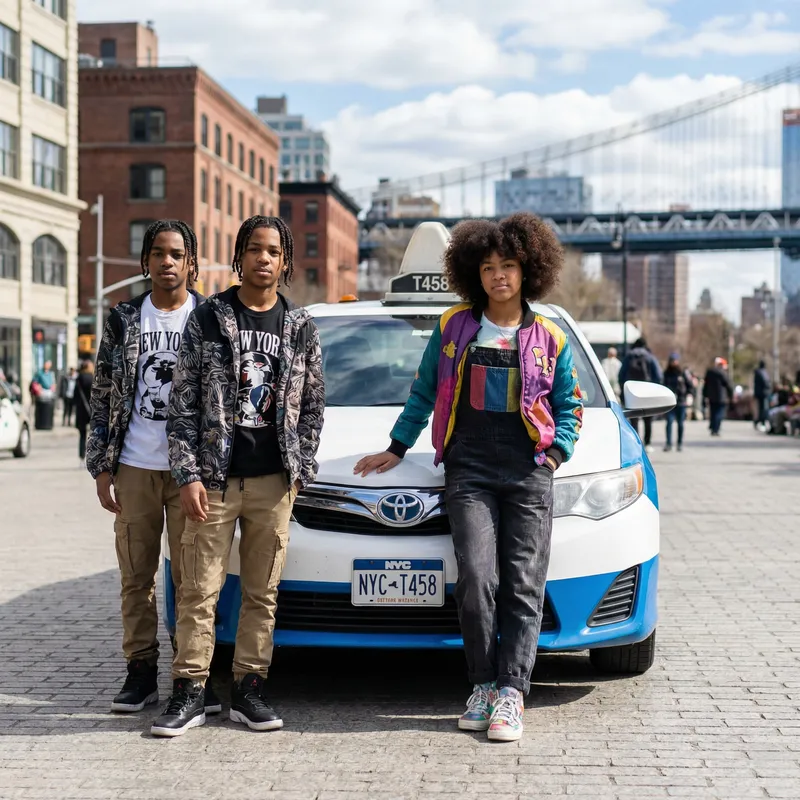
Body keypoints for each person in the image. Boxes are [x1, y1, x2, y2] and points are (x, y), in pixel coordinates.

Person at [354, 213, 583, 743]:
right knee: (477, 580)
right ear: (472, 274)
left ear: (528, 270)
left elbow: (569, 405)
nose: (498, 276)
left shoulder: (549, 335)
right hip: (470, 469)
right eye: (487, 267)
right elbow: (425, 390)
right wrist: (396, 447)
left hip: (528, 470)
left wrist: (554, 455)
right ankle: (481, 685)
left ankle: (511, 692)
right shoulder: (454, 325)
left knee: (524, 583)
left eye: (508, 265)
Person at [152, 215, 324, 738]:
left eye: (273, 251)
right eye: (254, 249)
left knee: (261, 591)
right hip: (214, 481)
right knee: (198, 589)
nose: (264, 259)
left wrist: (302, 466)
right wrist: (187, 475)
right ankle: (190, 691)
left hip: (274, 482)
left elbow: (313, 403)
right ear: (239, 256)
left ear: (286, 261)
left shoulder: (299, 327)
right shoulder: (209, 317)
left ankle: (249, 689)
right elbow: (182, 405)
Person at [84, 220, 217, 717]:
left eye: (176, 254)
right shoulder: (122, 318)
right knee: (135, 577)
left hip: (193, 474)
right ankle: (140, 673)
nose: (167, 261)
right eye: (158, 253)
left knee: (194, 582)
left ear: (191, 262)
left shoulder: (209, 316)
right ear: (146, 261)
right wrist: (101, 465)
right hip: (135, 466)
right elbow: (102, 395)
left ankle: (193, 678)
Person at [618, 337, 663, 452]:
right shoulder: (649, 357)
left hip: (632, 391)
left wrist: (623, 389)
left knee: (634, 418)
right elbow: (658, 375)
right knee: (648, 419)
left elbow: (621, 375)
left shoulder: (629, 356)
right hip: (646, 391)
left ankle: (635, 442)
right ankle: (647, 443)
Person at [662, 353, 692, 452]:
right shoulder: (666, 373)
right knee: (669, 422)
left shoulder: (682, 373)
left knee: (680, 424)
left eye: (675, 360)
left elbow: (690, 386)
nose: (673, 362)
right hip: (669, 402)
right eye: (672, 360)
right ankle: (668, 443)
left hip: (681, 401)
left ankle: (679, 443)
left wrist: (689, 395)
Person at [702, 357, 733, 437]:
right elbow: (728, 385)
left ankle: (712, 427)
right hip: (721, 397)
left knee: (713, 412)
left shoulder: (710, 372)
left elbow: (706, 385)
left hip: (712, 396)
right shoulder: (722, 373)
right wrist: (731, 395)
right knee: (719, 413)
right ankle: (716, 428)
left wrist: (705, 395)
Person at [75, 360, 94, 466]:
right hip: (92, 409)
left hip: (81, 410)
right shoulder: (93, 379)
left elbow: (75, 396)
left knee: (82, 435)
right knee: (94, 435)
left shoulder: (78, 379)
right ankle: (91, 457)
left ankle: (81, 458)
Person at [31, 360, 56, 430]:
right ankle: (39, 424)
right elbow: (34, 383)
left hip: (49, 394)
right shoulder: (39, 373)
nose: (47, 366)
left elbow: (53, 384)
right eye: (46, 364)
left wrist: (53, 388)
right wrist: (38, 388)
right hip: (41, 394)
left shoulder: (51, 374)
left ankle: (48, 424)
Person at [753, 361, 771, 431]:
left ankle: (758, 421)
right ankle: (762, 422)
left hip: (758, 393)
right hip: (764, 393)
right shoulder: (763, 372)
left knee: (760, 409)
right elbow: (766, 382)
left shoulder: (757, 372)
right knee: (764, 409)